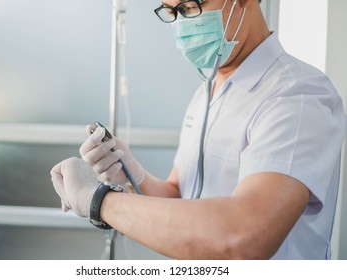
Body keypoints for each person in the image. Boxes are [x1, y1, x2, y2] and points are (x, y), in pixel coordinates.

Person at [50, 0, 346, 259]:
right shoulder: (207, 92)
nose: (182, 24)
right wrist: (132, 175)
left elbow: (246, 236)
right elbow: (180, 195)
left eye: (191, 6)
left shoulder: (296, 95)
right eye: (171, 11)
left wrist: (98, 200)